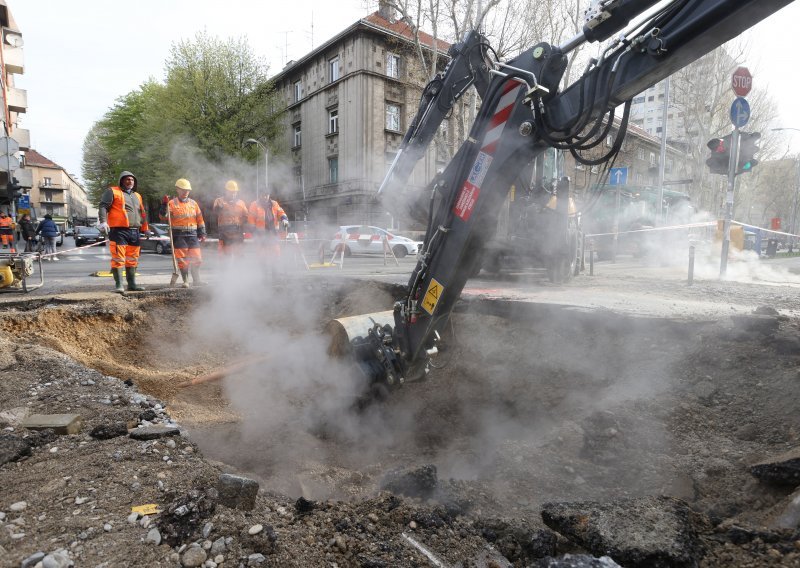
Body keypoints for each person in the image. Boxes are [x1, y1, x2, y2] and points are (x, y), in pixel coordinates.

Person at [98, 171, 149, 293]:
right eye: (127, 179)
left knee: (132, 259)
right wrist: (103, 221)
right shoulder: (112, 191)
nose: (130, 181)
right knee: (118, 258)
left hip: (134, 231)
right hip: (118, 231)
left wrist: (145, 228)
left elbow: (142, 213)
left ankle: (132, 284)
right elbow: (103, 206)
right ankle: (119, 285)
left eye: (132, 180)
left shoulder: (137, 195)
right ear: (121, 180)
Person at [159, 178, 206, 287]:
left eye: (187, 190)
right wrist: (163, 205)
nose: (186, 192)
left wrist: (202, 232)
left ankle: (197, 280)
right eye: (183, 190)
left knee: (197, 258)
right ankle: (186, 281)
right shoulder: (171, 203)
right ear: (177, 190)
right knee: (182, 259)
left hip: (192, 234)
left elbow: (200, 219)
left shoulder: (193, 203)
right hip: (179, 235)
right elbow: (163, 217)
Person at [248, 190, 289, 258]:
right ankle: (263, 266)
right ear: (259, 195)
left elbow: (280, 212)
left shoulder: (274, 203)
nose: (264, 197)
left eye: (266, 195)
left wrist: (284, 219)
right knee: (262, 253)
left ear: (269, 195)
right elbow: (251, 218)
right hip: (260, 234)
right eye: (262, 195)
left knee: (275, 252)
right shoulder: (254, 204)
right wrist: (253, 231)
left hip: (273, 233)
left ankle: (275, 266)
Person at [212, 180, 248, 256]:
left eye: (235, 192)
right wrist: (219, 208)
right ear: (226, 191)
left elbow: (246, 216)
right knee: (225, 257)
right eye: (231, 191)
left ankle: (238, 268)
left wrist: (244, 226)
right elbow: (215, 212)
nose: (233, 194)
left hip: (238, 233)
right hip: (224, 234)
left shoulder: (241, 203)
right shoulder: (219, 201)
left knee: (239, 256)